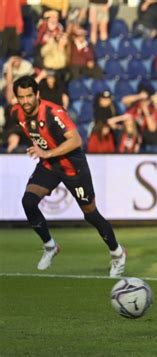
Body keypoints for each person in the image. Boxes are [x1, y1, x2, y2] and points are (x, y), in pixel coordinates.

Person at [11, 75, 126, 277]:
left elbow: (76, 140)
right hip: (49, 166)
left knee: (90, 214)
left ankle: (117, 253)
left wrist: (47, 152)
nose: (26, 101)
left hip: (73, 167)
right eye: (22, 97)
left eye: (30, 96)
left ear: (37, 94)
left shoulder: (53, 112)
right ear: (17, 98)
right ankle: (50, 246)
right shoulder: (17, 113)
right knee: (28, 201)